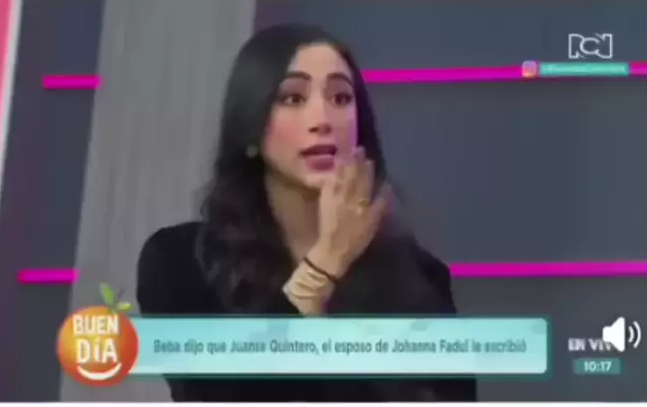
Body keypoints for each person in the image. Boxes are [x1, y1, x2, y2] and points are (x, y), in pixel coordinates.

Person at [136, 23, 477, 402]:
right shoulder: (179, 262)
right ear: (250, 127)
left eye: (341, 98)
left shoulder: (421, 278)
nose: (322, 120)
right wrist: (325, 263)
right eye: (293, 98)